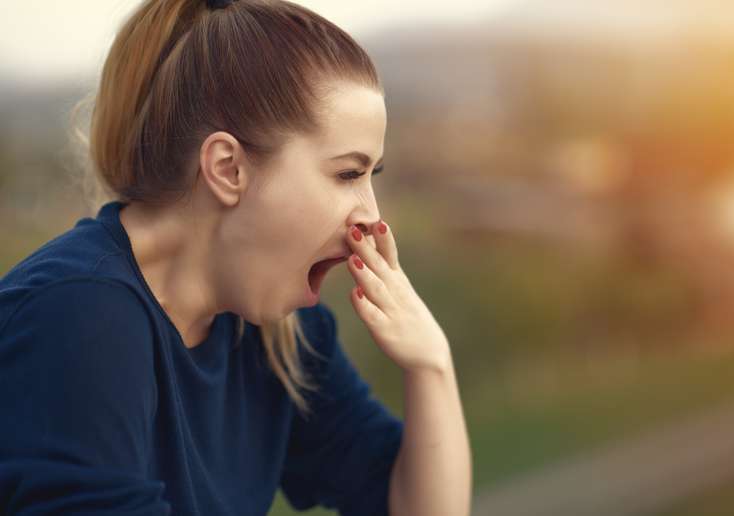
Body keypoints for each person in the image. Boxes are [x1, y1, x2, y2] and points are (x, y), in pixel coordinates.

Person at [0, 0, 472, 514]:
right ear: (227, 168)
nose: (370, 217)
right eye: (347, 174)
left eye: (370, 176)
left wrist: (432, 365)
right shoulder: (76, 317)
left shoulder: (280, 336)